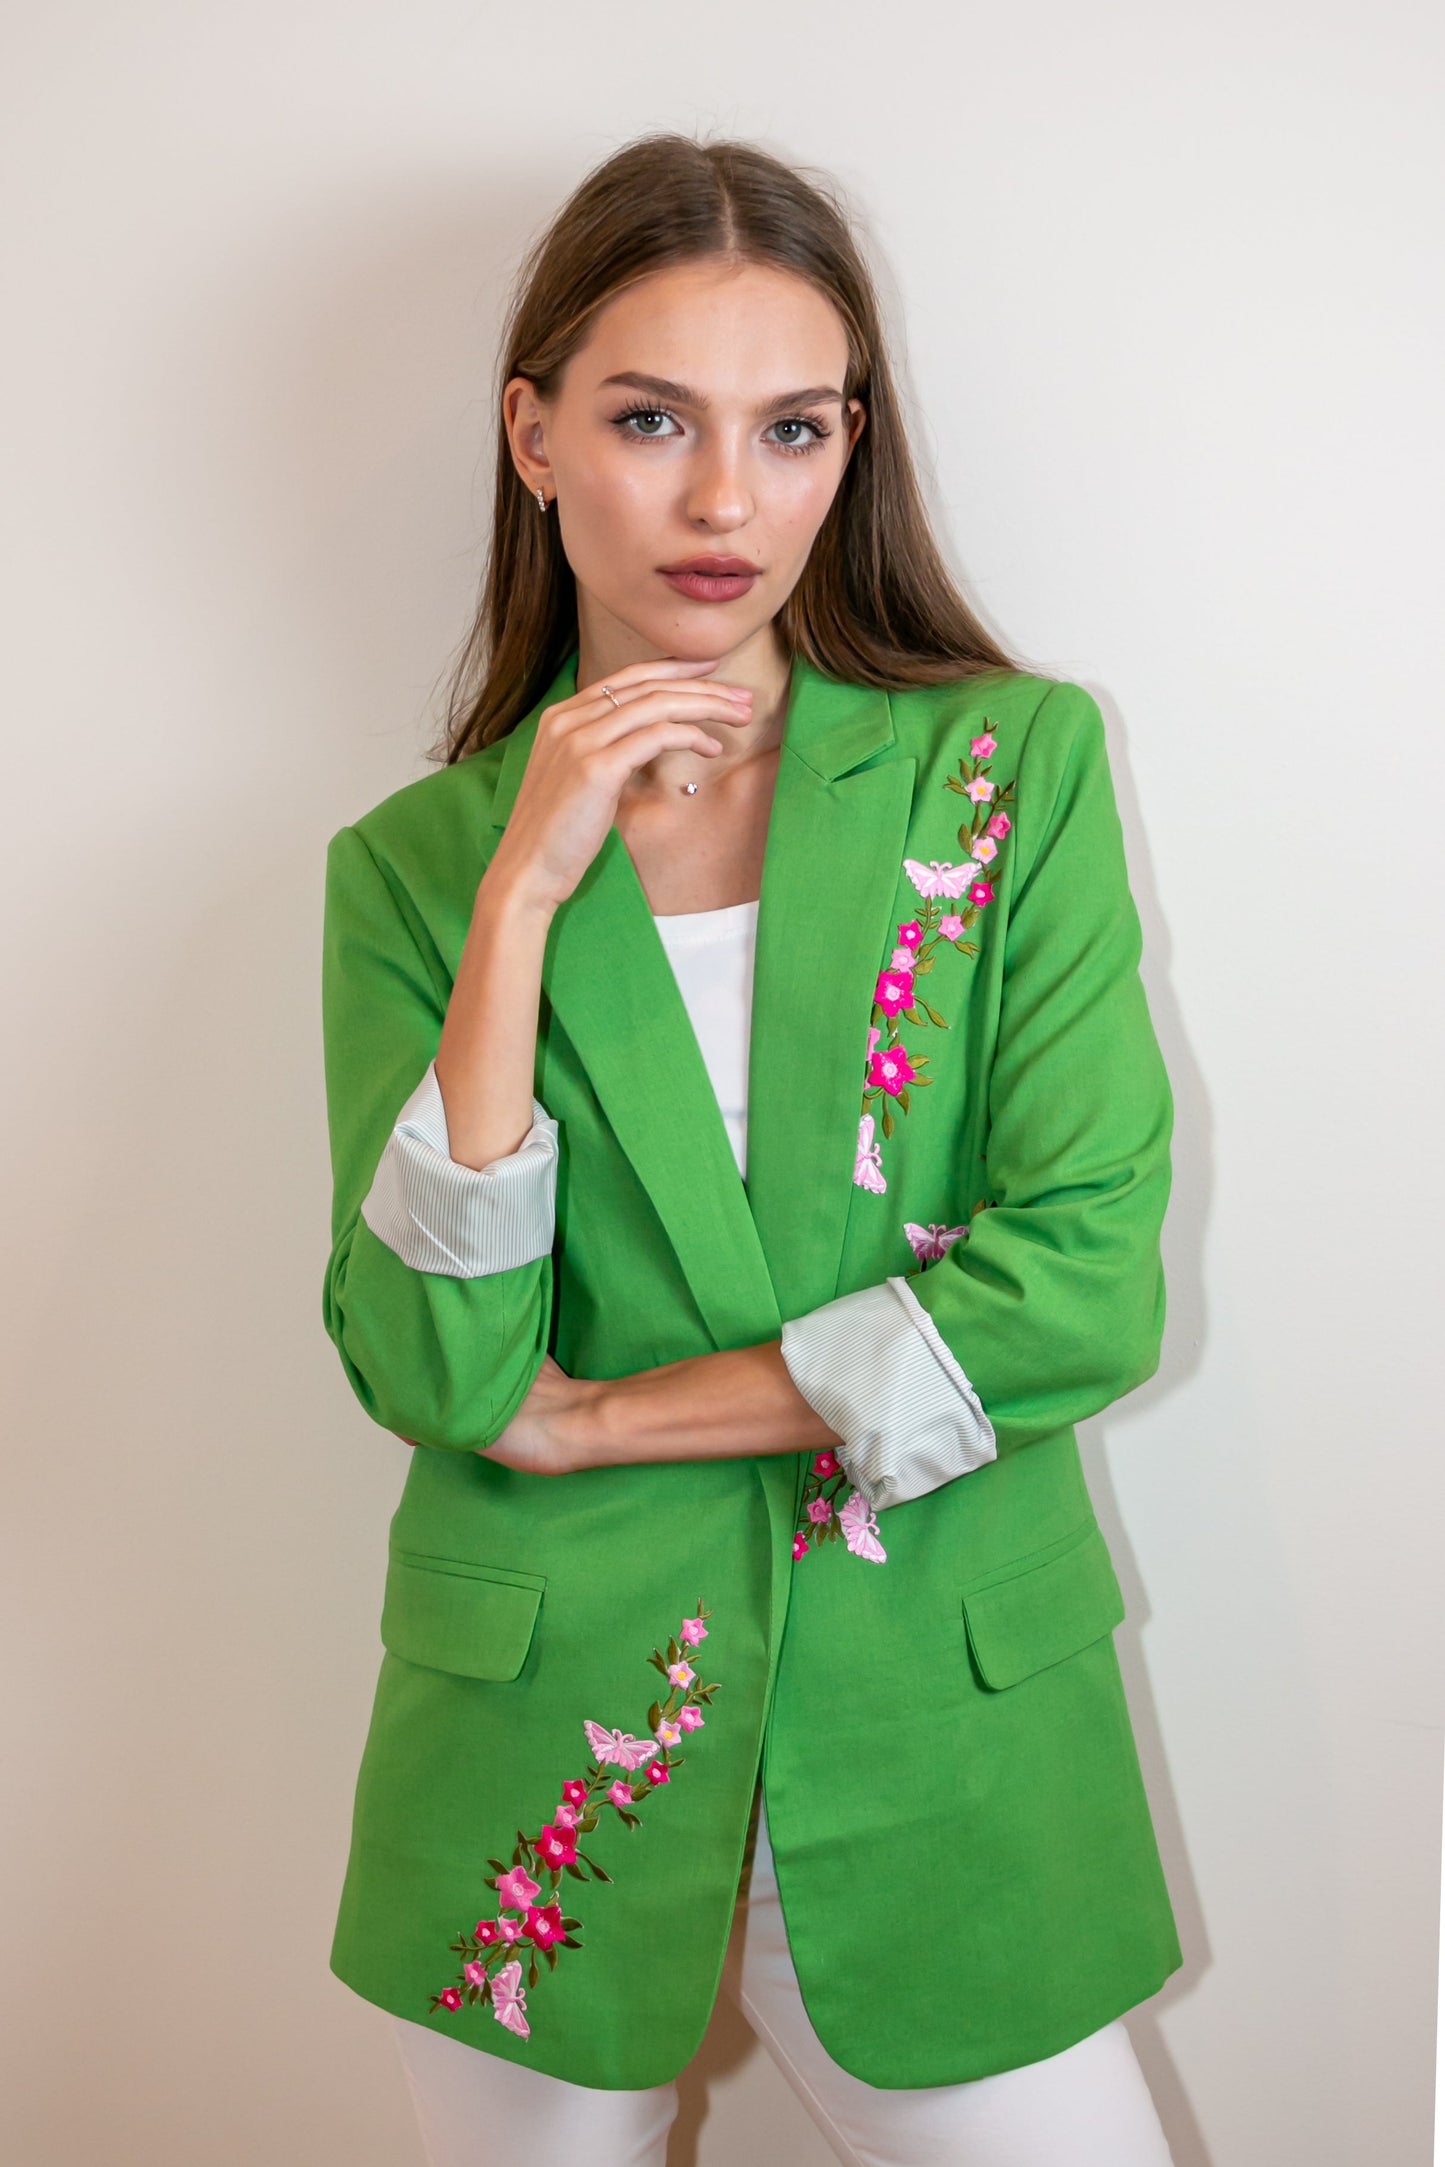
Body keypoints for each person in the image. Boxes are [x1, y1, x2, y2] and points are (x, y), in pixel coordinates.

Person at [319, 130, 1181, 2166]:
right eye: (648, 420)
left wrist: (612, 1420)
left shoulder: (1008, 769)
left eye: (790, 428)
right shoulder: (417, 870)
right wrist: (527, 894)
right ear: (531, 436)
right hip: (545, 1732)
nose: (725, 499)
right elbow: (435, 1370)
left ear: (849, 444)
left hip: (942, 1720)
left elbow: (1082, 1287)